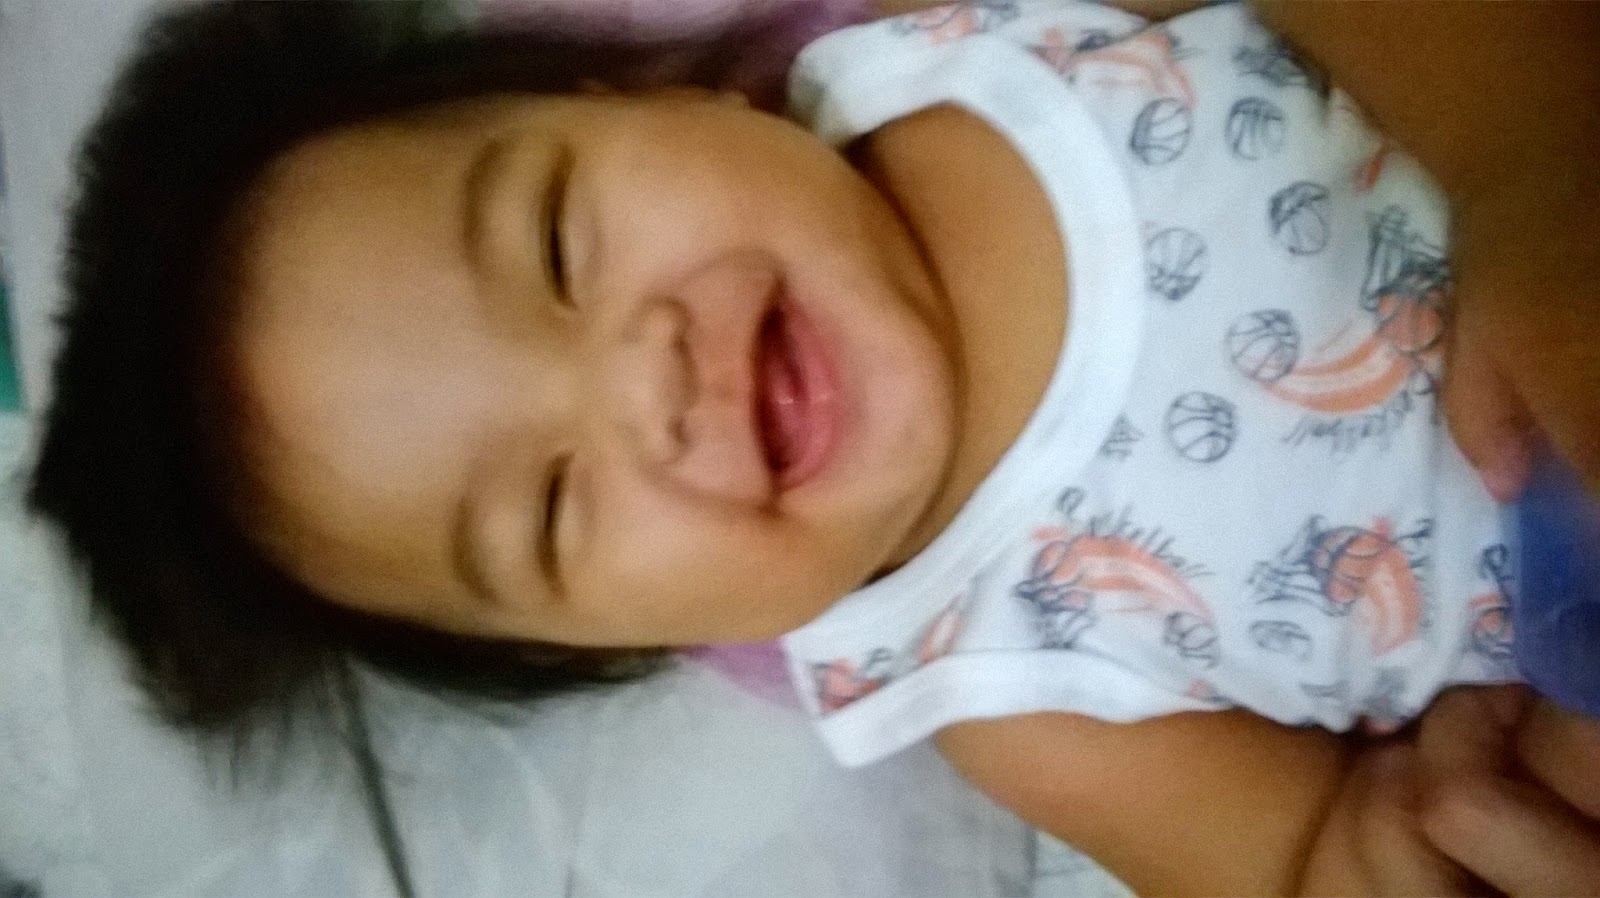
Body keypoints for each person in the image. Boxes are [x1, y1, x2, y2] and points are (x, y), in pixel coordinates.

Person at [25, 0, 1600, 893]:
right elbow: (1308, 859)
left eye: (560, 240)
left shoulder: (989, 41)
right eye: (554, 510)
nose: (644, 384)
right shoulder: (1000, 692)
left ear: (637, 93)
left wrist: (1525, 175)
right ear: (625, 639)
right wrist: (1421, 833)